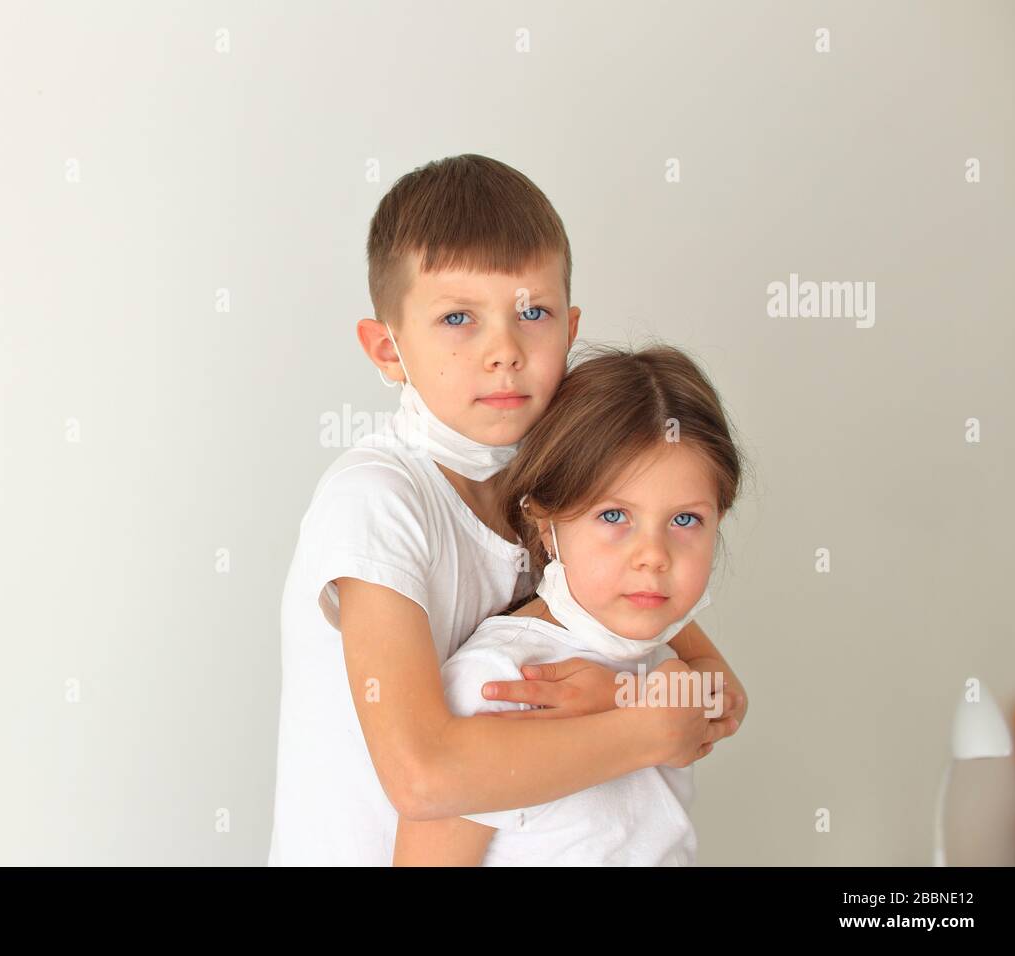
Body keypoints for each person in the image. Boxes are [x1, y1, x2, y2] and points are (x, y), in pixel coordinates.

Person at [267, 155, 745, 866]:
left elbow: (707, 675)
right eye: (458, 317)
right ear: (387, 349)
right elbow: (423, 776)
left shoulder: (550, 493)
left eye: (533, 313)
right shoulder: (377, 499)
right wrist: (649, 728)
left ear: (570, 328)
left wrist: (656, 691)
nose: (504, 353)